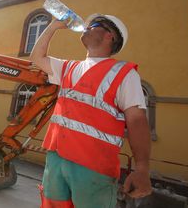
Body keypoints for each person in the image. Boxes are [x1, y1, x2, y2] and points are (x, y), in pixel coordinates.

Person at [30, 14, 152, 208]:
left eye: (93, 25)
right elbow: (37, 57)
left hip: (94, 167)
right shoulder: (69, 67)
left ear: (110, 36)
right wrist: (53, 27)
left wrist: (142, 169)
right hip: (56, 160)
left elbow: (137, 120)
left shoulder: (124, 73)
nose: (86, 27)